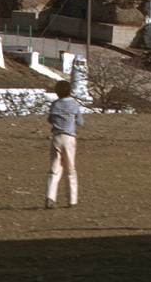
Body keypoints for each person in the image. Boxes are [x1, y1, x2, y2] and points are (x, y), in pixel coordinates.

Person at [45, 79, 84, 209]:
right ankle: (72, 200)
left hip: (56, 137)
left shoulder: (55, 104)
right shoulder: (74, 104)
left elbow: (50, 119)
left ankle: (50, 196)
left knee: (54, 168)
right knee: (70, 169)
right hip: (69, 137)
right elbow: (80, 122)